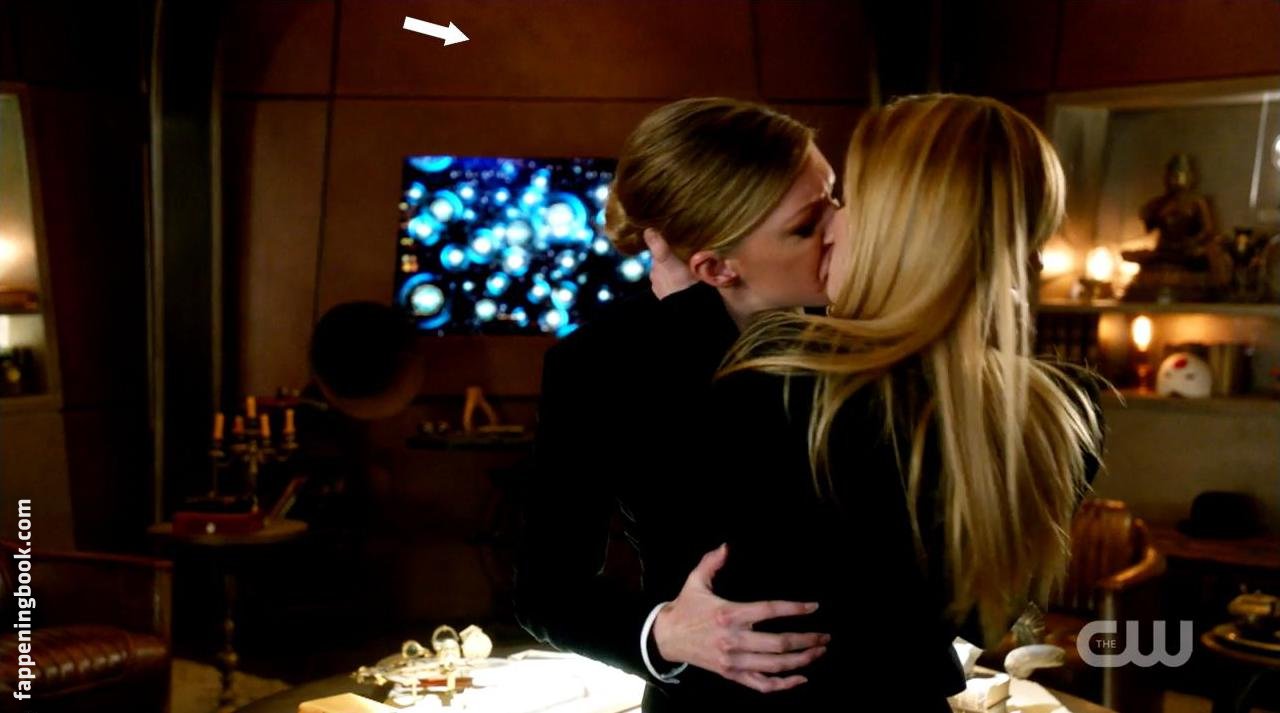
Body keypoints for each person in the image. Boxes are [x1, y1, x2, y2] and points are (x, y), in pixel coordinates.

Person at [675, 94, 1105, 710]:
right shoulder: (1064, 410)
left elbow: (721, 614)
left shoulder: (785, 385)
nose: (830, 225)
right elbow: (980, 621)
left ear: (898, 228)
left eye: (848, 201)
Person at [513, 97, 844, 709]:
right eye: (807, 224)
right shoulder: (601, 362)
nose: (842, 230)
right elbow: (547, 589)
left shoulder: (876, 327)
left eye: (835, 201)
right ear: (715, 267)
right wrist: (664, 633)